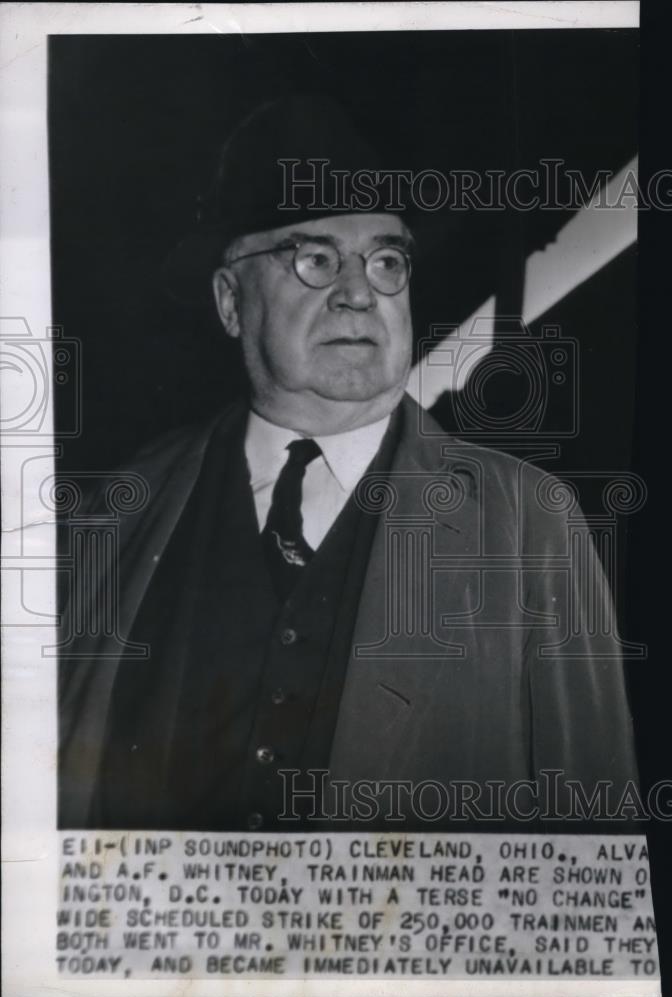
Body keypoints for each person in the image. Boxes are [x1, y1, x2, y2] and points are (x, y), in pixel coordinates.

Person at [58, 96, 639, 832]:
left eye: (386, 259)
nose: (360, 292)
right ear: (230, 300)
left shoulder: (530, 526)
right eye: (315, 257)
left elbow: (594, 845)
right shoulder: (115, 509)